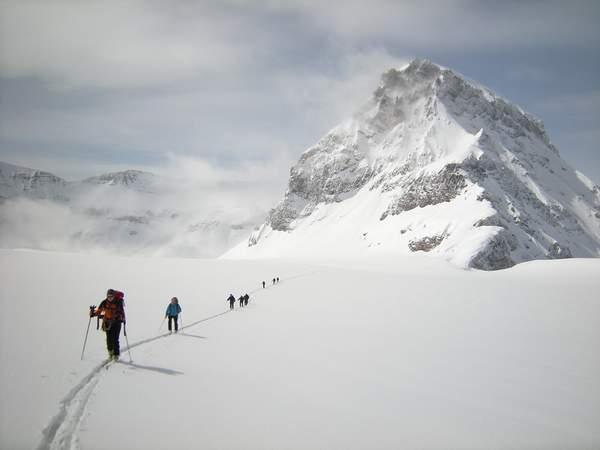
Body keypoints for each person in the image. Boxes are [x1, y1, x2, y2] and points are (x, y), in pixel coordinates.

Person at [90, 289, 126, 361]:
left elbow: (120, 311)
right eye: (108, 296)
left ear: (114, 296)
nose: (110, 298)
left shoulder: (118, 302)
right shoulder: (104, 302)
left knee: (115, 339)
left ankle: (116, 355)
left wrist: (116, 317)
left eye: (111, 296)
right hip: (107, 322)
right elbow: (99, 310)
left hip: (116, 322)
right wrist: (93, 313)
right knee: (109, 339)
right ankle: (110, 353)